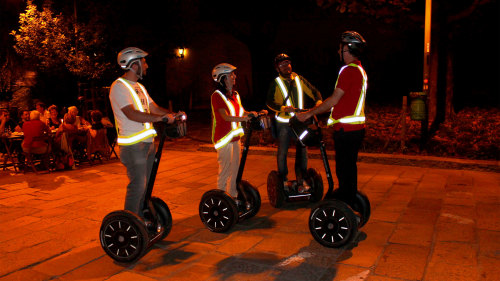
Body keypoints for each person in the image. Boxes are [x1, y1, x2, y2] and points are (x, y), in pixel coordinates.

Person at [109, 47, 181, 218]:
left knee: (146, 186)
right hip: (133, 146)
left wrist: (170, 115)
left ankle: (141, 219)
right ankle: (130, 223)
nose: (147, 65)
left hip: (148, 144)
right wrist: (160, 119)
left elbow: (153, 107)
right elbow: (131, 113)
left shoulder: (140, 87)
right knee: (138, 186)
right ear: (134, 65)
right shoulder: (119, 87)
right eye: (144, 62)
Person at [297, 31, 368, 204]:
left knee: (344, 171)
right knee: (349, 170)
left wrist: (308, 113)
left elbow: (334, 99)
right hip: (356, 129)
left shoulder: (348, 71)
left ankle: (345, 206)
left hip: (346, 131)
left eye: (341, 48)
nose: (339, 51)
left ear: (348, 49)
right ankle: (349, 201)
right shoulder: (360, 70)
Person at [266, 53, 323, 192]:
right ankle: (283, 180)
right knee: (283, 151)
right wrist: (283, 108)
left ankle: (301, 179)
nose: (286, 66)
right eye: (282, 65)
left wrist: (319, 103)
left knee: (303, 149)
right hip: (284, 122)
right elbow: (269, 102)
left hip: (299, 122)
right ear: (278, 68)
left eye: (287, 63)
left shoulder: (298, 79)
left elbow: (314, 92)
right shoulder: (276, 82)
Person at [211, 63, 265, 207]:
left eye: (234, 74)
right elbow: (225, 116)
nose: (234, 77)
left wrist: (252, 114)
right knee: (225, 171)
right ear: (222, 78)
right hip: (224, 139)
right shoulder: (217, 96)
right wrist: (244, 118)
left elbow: (241, 112)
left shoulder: (235, 95)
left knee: (236, 170)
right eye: (231, 75)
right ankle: (220, 201)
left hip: (235, 139)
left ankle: (232, 198)